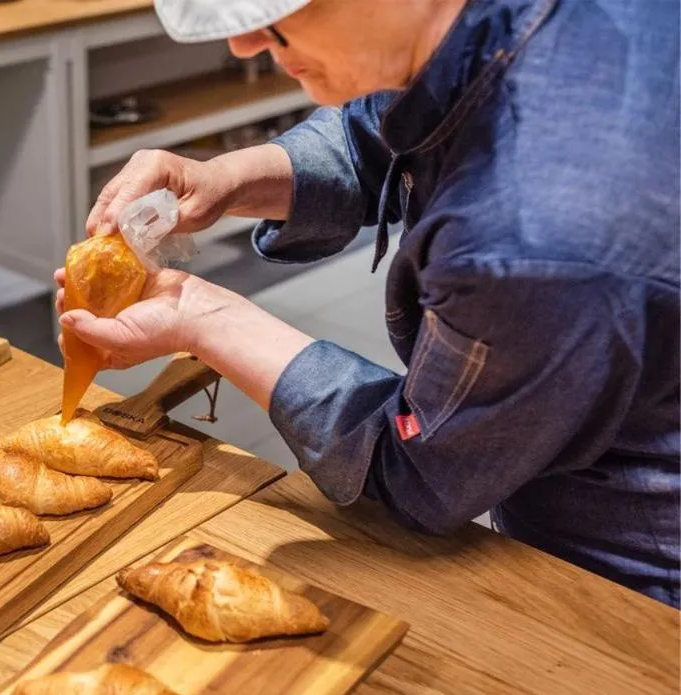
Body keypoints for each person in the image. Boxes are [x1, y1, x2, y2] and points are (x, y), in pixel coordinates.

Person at [57, 0, 680, 606]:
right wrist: (225, 180)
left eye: (276, 14)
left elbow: (424, 471)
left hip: (632, 573)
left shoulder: (532, 233)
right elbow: (382, 126)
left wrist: (201, 315)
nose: (243, 45)